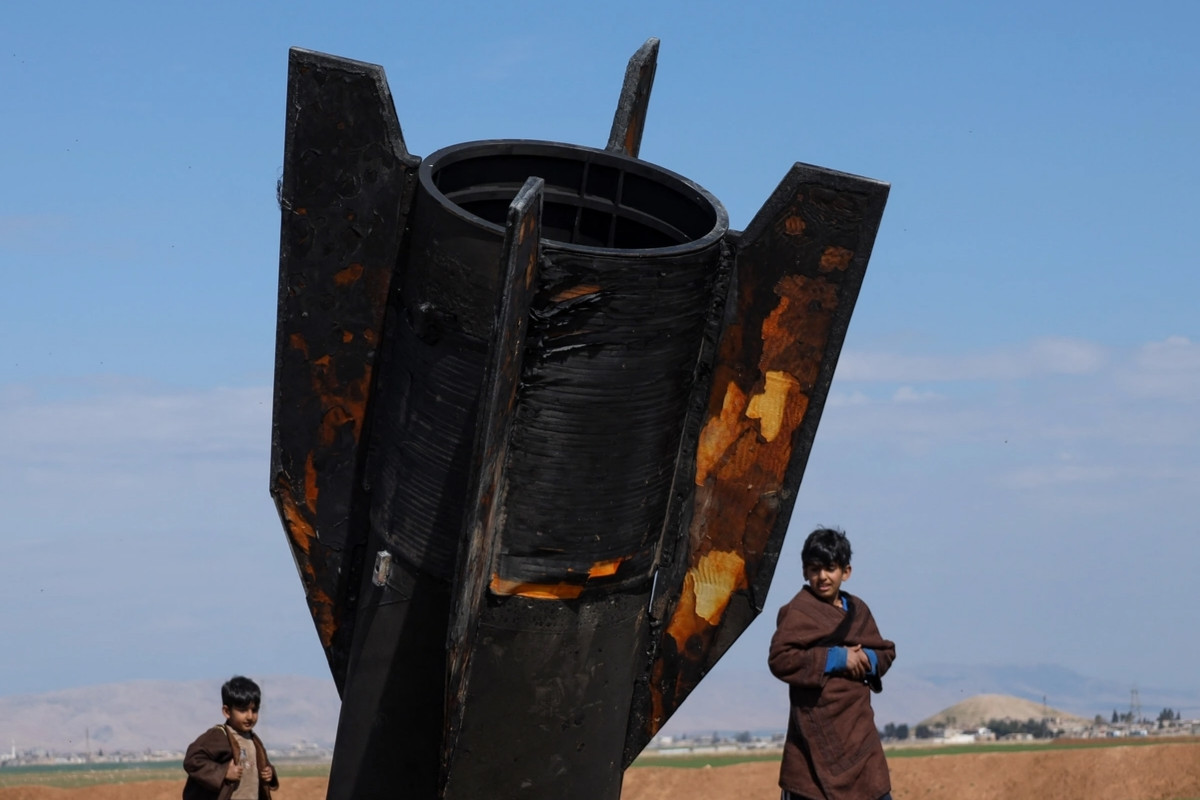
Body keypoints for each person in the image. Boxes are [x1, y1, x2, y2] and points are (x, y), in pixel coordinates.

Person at [768, 527, 896, 800]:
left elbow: (885, 651)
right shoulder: (798, 611)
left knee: (873, 789)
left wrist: (867, 659)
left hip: (859, 732)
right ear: (805, 572)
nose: (822, 577)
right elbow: (780, 659)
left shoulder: (858, 610)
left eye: (830, 568)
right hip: (814, 738)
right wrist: (837, 658)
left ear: (845, 572)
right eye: (815, 569)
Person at [183, 675, 280, 800]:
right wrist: (223, 772)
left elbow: (259, 764)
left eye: (254, 710)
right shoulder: (219, 736)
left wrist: (269, 773)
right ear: (227, 712)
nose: (250, 716)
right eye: (243, 710)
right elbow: (192, 759)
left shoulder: (254, 740)